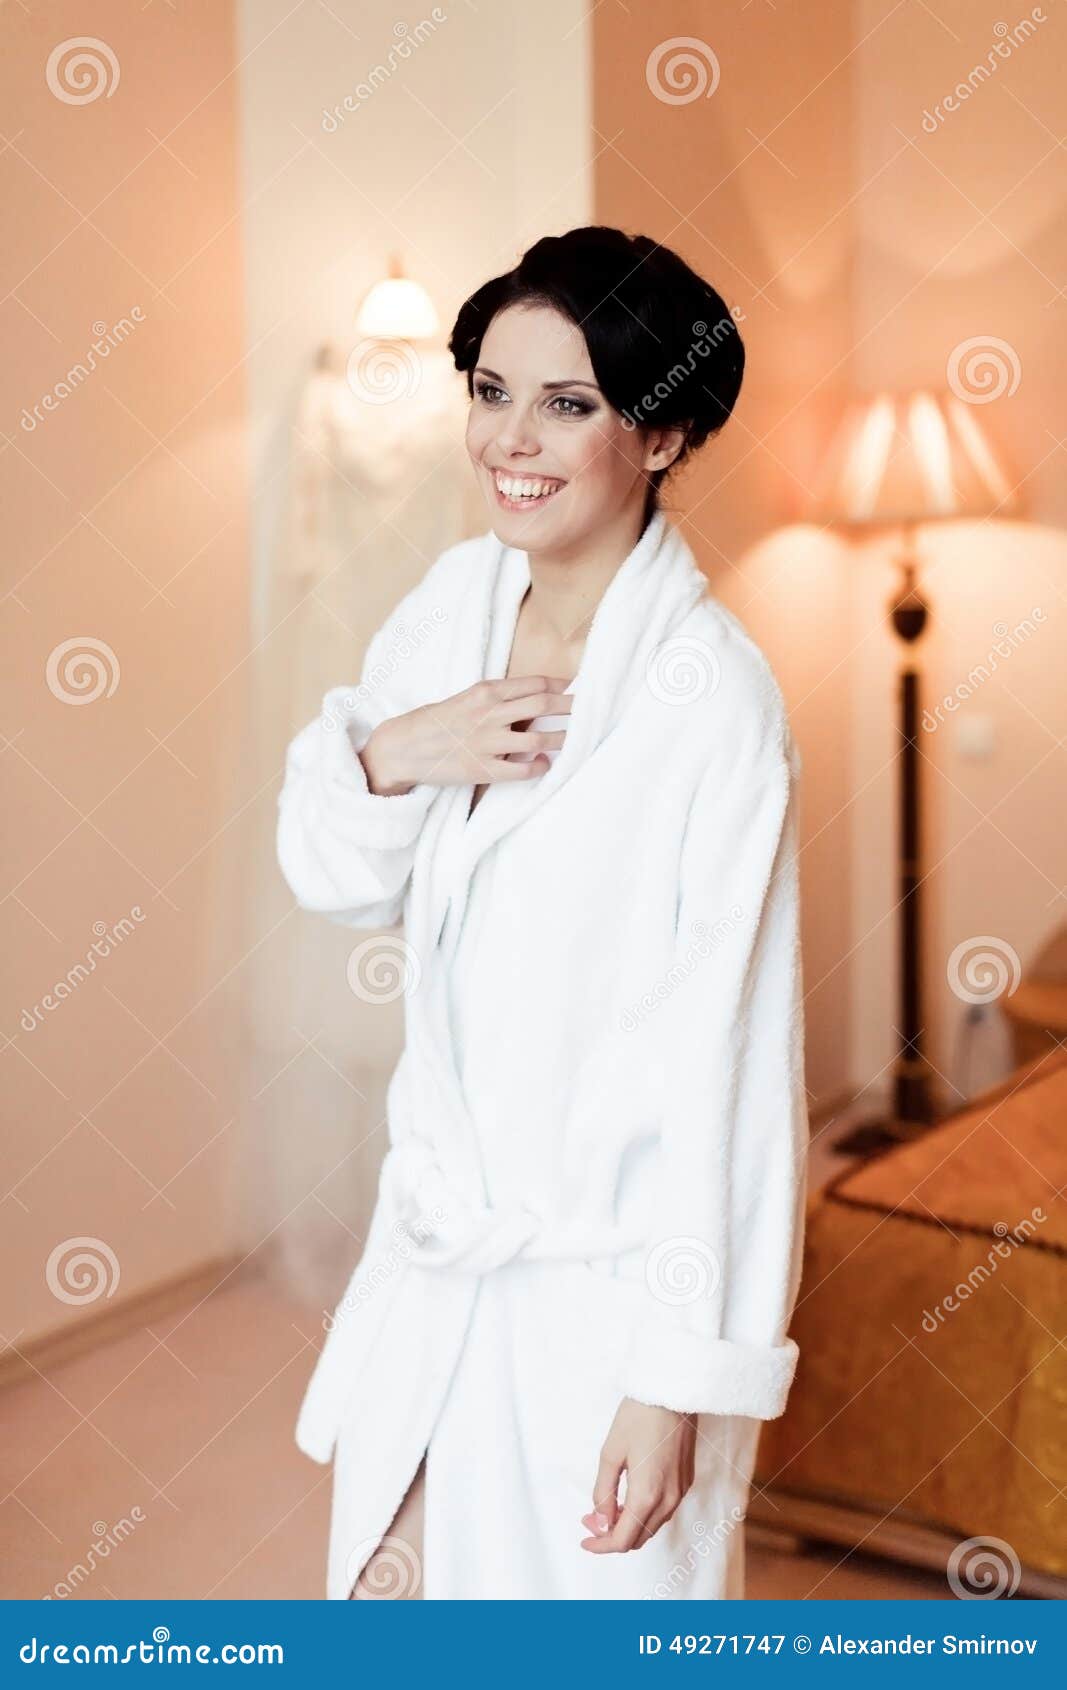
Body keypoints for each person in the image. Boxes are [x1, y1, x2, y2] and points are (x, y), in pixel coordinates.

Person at [276, 225, 808, 1600]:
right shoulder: (455, 607)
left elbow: (733, 1077)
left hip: (608, 1305)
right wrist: (403, 750)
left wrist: (675, 1381)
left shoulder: (717, 709)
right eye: (491, 389)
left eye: (569, 403)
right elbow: (332, 875)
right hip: (441, 1266)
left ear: (666, 430)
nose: (512, 437)